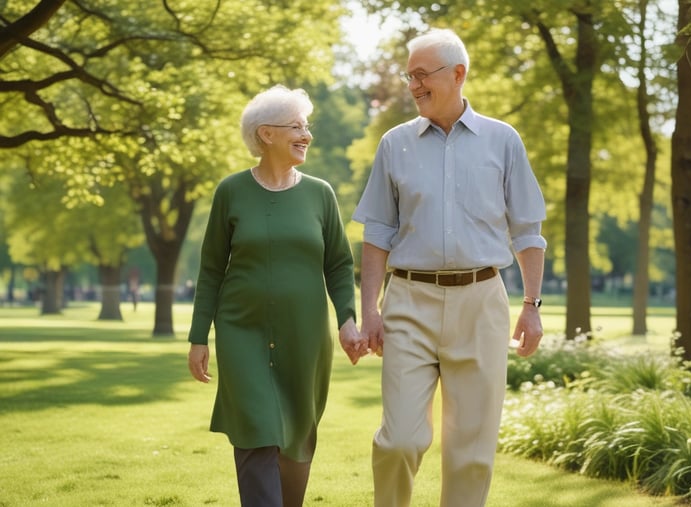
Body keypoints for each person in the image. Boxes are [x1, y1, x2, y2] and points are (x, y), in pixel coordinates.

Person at [353, 28, 547, 507]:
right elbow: (376, 233)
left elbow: (527, 231)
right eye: (409, 76)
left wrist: (531, 305)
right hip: (409, 302)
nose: (413, 85)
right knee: (399, 439)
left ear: (457, 74)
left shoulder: (503, 141)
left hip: (481, 302)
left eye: (422, 75)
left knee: (472, 452)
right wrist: (370, 310)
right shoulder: (394, 144)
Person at [187, 85, 367, 507]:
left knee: (297, 435)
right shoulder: (230, 191)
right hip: (240, 331)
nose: (307, 135)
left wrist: (347, 319)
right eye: (297, 127)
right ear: (266, 134)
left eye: (307, 127)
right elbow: (211, 269)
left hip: (304, 335)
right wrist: (199, 337)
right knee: (257, 428)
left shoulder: (320, 194)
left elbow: (339, 264)